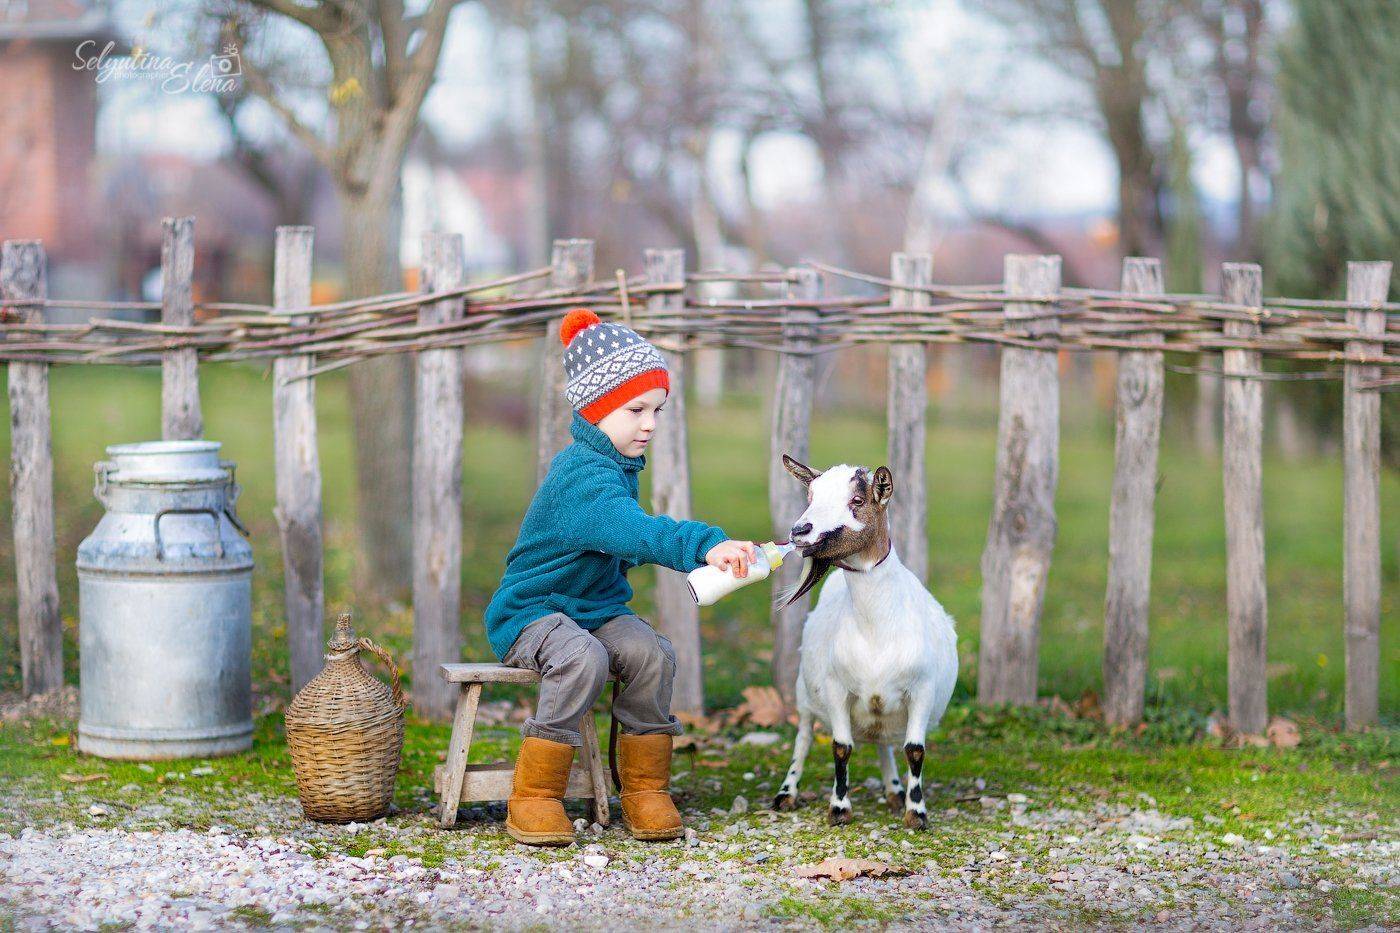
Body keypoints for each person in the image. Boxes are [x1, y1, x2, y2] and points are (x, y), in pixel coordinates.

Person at [482, 307, 757, 847]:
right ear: (597, 410)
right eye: (636, 409)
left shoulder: (615, 466)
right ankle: (535, 795)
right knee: (583, 657)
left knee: (652, 653)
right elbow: (632, 531)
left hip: (593, 610)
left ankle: (643, 788)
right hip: (533, 612)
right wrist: (705, 544)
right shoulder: (581, 478)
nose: (649, 423)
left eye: (657, 409)